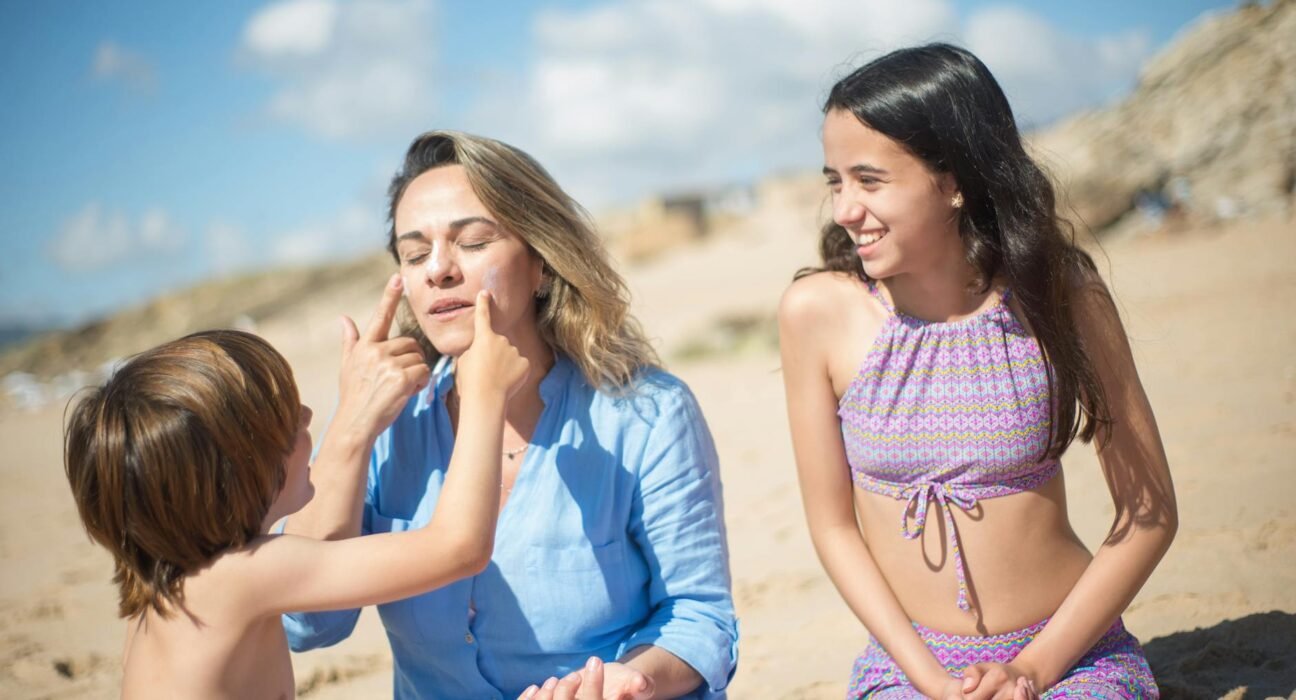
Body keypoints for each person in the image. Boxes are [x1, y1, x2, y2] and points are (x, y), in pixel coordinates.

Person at [778, 44, 1176, 699]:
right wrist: (929, 679)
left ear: (955, 179)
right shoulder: (816, 313)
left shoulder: (1061, 293)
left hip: (1073, 654)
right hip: (909, 666)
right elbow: (834, 527)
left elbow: (1149, 511)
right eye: (834, 181)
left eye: (869, 180)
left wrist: (1035, 668)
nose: (844, 208)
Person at [282, 130, 738, 700]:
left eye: (472, 242)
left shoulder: (646, 414)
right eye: (415, 253)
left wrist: (632, 680)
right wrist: (349, 430)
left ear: (540, 262)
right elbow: (307, 624)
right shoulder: (384, 426)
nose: (438, 271)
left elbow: (701, 615)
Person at [61, 299, 528, 698]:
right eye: (286, 421)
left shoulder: (164, 585)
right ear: (238, 472)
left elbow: (323, 550)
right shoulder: (245, 575)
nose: (308, 415)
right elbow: (459, 547)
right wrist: (486, 396)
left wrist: (358, 422)